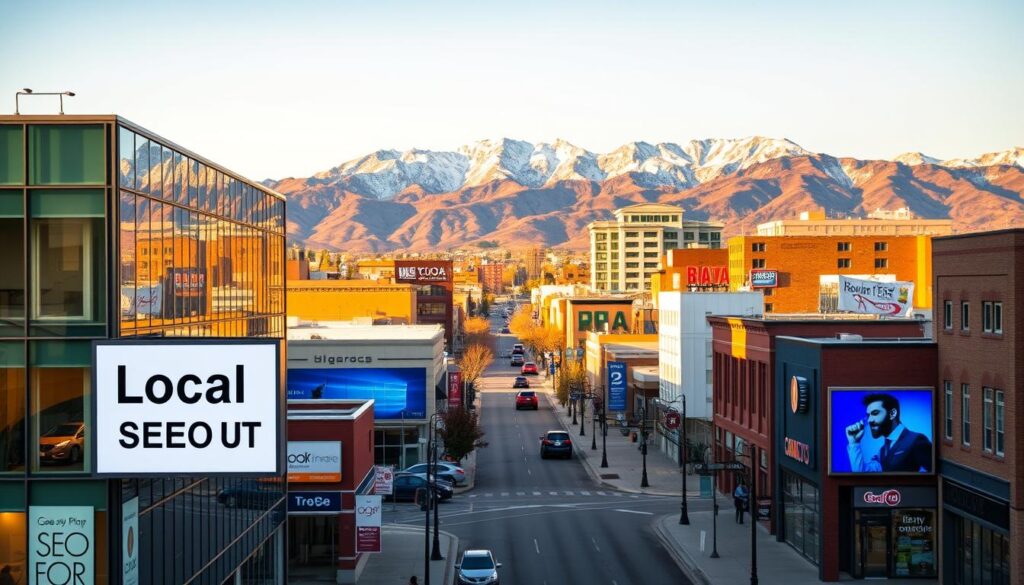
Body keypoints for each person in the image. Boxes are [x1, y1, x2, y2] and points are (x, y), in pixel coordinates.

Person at [846, 393, 932, 473]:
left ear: (892, 414)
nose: (869, 420)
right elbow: (861, 473)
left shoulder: (916, 441)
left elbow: (934, 476)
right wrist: (854, 443)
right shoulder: (882, 451)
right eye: (868, 415)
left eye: (875, 413)